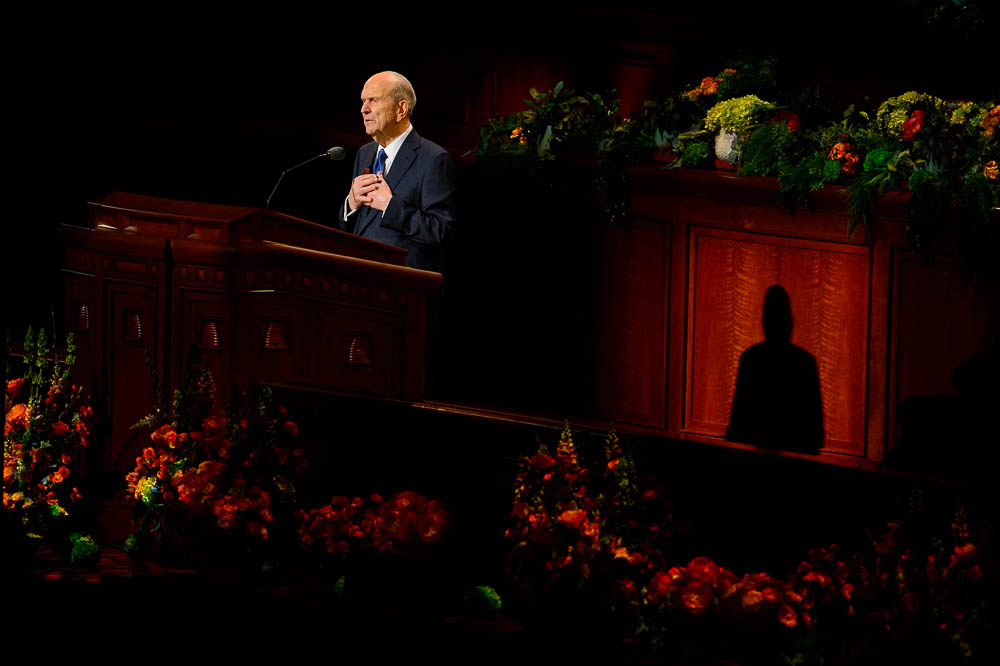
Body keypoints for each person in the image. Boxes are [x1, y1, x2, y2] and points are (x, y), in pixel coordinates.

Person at [341, 71, 457, 273]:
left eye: (373, 100)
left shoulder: (433, 158)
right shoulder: (365, 153)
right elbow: (359, 226)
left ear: (401, 109)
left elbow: (442, 232)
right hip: (358, 277)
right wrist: (350, 204)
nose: (363, 109)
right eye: (363, 101)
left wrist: (390, 206)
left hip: (401, 284)